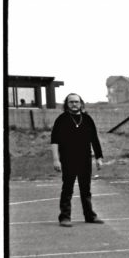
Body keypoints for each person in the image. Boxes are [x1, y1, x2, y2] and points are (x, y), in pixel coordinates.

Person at [52, 93, 105, 227]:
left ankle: (90, 216)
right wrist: (56, 159)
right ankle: (64, 217)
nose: (74, 104)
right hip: (68, 159)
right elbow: (54, 141)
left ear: (81, 103)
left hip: (85, 159)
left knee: (85, 189)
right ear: (67, 104)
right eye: (71, 102)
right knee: (67, 188)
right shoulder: (61, 119)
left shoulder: (87, 119)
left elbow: (94, 139)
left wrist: (99, 157)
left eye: (76, 102)